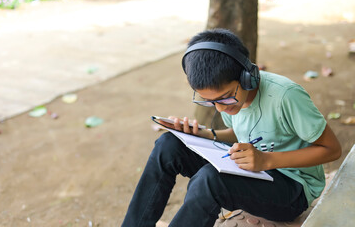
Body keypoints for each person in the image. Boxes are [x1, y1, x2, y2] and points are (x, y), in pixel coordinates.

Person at [121, 28, 342, 227]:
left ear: (247, 77)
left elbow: (332, 149)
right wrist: (204, 135)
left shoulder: (286, 96)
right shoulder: (233, 101)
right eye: (209, 101)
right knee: (168, 144)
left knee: (210, 180)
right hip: (252, 167)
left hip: (292, 189)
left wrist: (267, 160)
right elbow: (243, 133)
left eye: (225, 98)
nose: (219, 108)